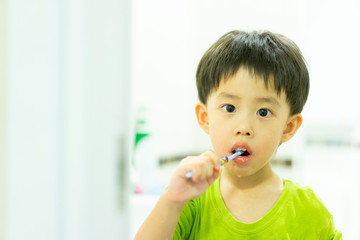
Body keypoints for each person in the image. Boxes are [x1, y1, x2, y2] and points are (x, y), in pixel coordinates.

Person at [135, 30, 342, 239]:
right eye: (230, 108)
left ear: (288, 128)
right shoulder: (191, 200)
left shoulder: (308, 211)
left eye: (263, 112)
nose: (244, 127)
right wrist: (172, 201)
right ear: (205, 118)